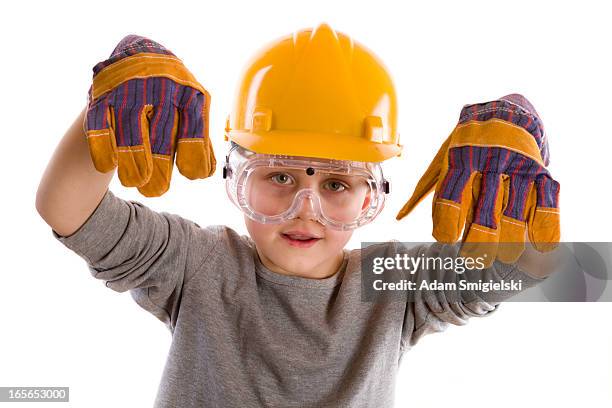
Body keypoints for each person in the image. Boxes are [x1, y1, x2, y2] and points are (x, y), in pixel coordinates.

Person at [35, 23, 560, 407]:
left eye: (336, 184)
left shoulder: (389, 281)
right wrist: (105, 102)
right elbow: (68, 210)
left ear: (371, 196)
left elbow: (522, 273)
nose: (305, 211)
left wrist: (522, 150)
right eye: (279, 178)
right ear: (236, 178)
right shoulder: (200, 264)